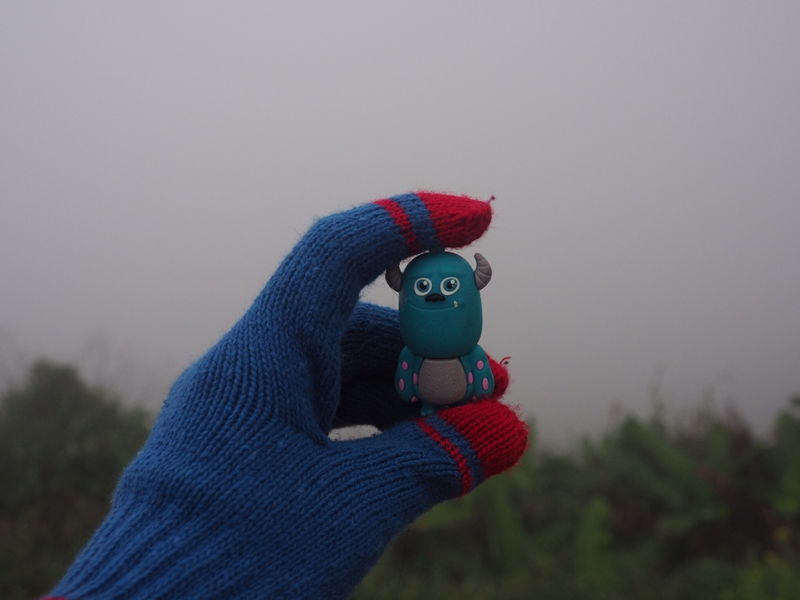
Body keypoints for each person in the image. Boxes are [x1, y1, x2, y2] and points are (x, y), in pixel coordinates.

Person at [46, 192, 529, 599]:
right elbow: (405, 377)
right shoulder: (411, 356)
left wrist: (183, 531)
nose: (438, 297)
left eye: (450, 288)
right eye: (425, 289)